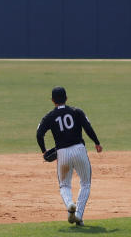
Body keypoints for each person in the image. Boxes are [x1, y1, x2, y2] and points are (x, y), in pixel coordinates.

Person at [36, 86, 102, 226]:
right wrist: (96, 142)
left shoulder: (49, 116)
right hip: (79, 150)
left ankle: (70, 204)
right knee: (85, 183)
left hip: (62, 153)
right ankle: (78, 215)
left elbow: (39, 134)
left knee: (64, 185)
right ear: (66, 98)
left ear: (53, 100)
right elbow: (87, 127)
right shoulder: (76, 111)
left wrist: (44, 150)